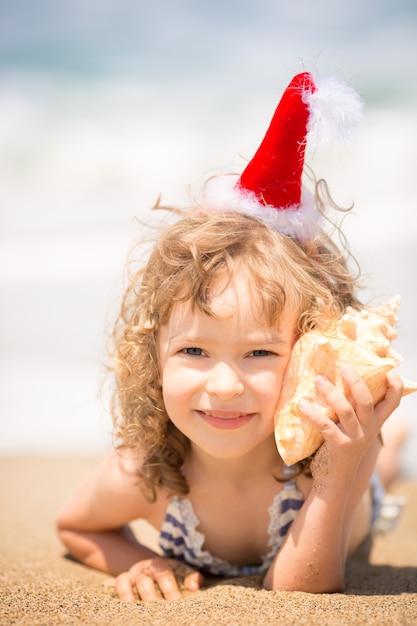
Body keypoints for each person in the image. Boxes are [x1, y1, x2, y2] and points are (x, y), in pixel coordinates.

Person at [56, 72, 406, 602]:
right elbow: (76, 525)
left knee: (384, 459)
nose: (223, 385)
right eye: (193, 350)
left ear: (308, 349)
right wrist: (143, 559)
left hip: (355, 484)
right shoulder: (147, 473)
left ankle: (395, 442)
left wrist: (340, 475)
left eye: (260, 352)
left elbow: (299, 592)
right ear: (153, 354)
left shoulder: (326, 460)